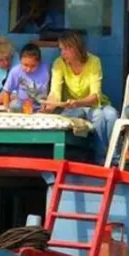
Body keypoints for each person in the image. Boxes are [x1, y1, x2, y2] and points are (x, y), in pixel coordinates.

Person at [41, 31, 119, 165]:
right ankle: (101, 159)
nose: (62, 53)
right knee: (99, 116)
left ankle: (115, 158)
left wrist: (78, 102)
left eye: (66, 49)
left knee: (111, 114)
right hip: (73, 107)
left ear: (76, 48)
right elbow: (55, 91)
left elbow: (95, 96)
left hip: (92, 103)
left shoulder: (94, 61)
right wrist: (48, 107)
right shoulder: (59, 64)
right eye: (61, 49)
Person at [0, 43, 50, 112]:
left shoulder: (45, 69)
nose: (28, 69)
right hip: (21, 108)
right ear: (20, 60)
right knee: (15, 105)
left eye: (33, 66)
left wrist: (44, 110)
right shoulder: (15, 72)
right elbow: (7, 91)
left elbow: (45, 92)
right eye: (25, 65)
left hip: (39, 108)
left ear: (39, 63)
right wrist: (7, 110)